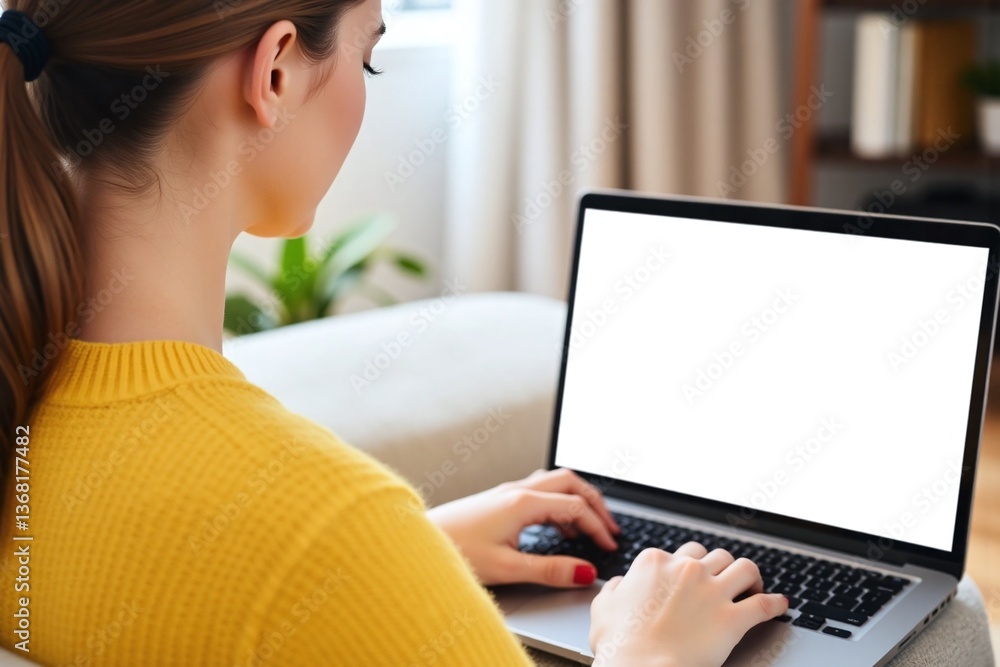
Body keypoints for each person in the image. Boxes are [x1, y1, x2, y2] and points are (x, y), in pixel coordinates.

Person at [0, 0, 787, 664]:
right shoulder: (326, 521)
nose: (363, 89)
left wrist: (399, 561)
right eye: (366, 58)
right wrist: (647, 650)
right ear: (274, 72)